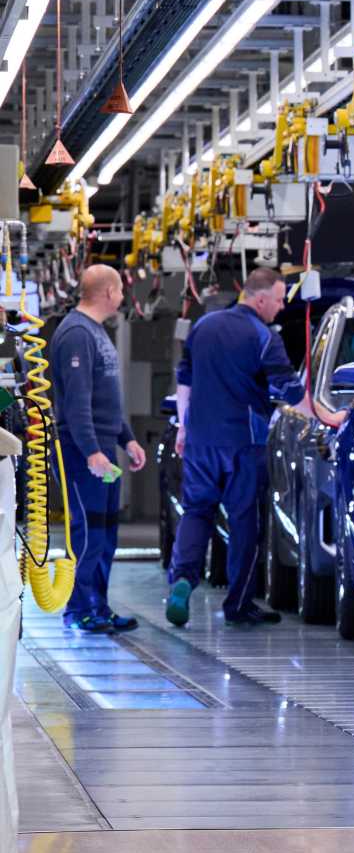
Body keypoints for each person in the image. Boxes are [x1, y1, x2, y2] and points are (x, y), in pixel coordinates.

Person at [165, 267, 307, 627]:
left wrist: (183, 427)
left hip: (199, 439)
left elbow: (184, 382)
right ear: (259, 299)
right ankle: (238, 604)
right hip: (244, 443)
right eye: (278, 299)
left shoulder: (203, 326)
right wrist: (326, 416)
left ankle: (182, 580)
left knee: (197, 511)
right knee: (245, 522)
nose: (280, 307)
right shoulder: (263, 336)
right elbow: (291, 391)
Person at [51, 264, 145, 632]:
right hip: (81, 452)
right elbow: (77, 402)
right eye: (121, 290)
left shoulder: (97, 333)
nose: (122, 298)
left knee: (105, 534)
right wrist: (91, 450)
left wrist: (127, 438)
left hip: (103, 448)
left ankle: (97, 606)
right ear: (108, 292)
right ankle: (78, 609)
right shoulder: (76, 333)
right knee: (87, 533)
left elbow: (106, 401)